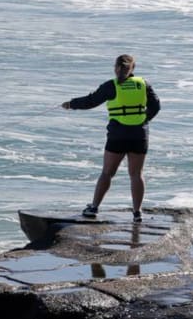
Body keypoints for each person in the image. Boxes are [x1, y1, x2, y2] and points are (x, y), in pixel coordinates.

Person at [61, 54, 160, 222]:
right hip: (139, 134)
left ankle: (93, 208)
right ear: (132, 69)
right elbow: (156, 105)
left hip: (117, 135)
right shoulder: (143, 84)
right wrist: (144, 120)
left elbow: (91, 101)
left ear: (116, 68)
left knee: (107, 173)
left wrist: (71, 104)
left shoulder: (111, 85)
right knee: (136, 174)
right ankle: (137, 213)